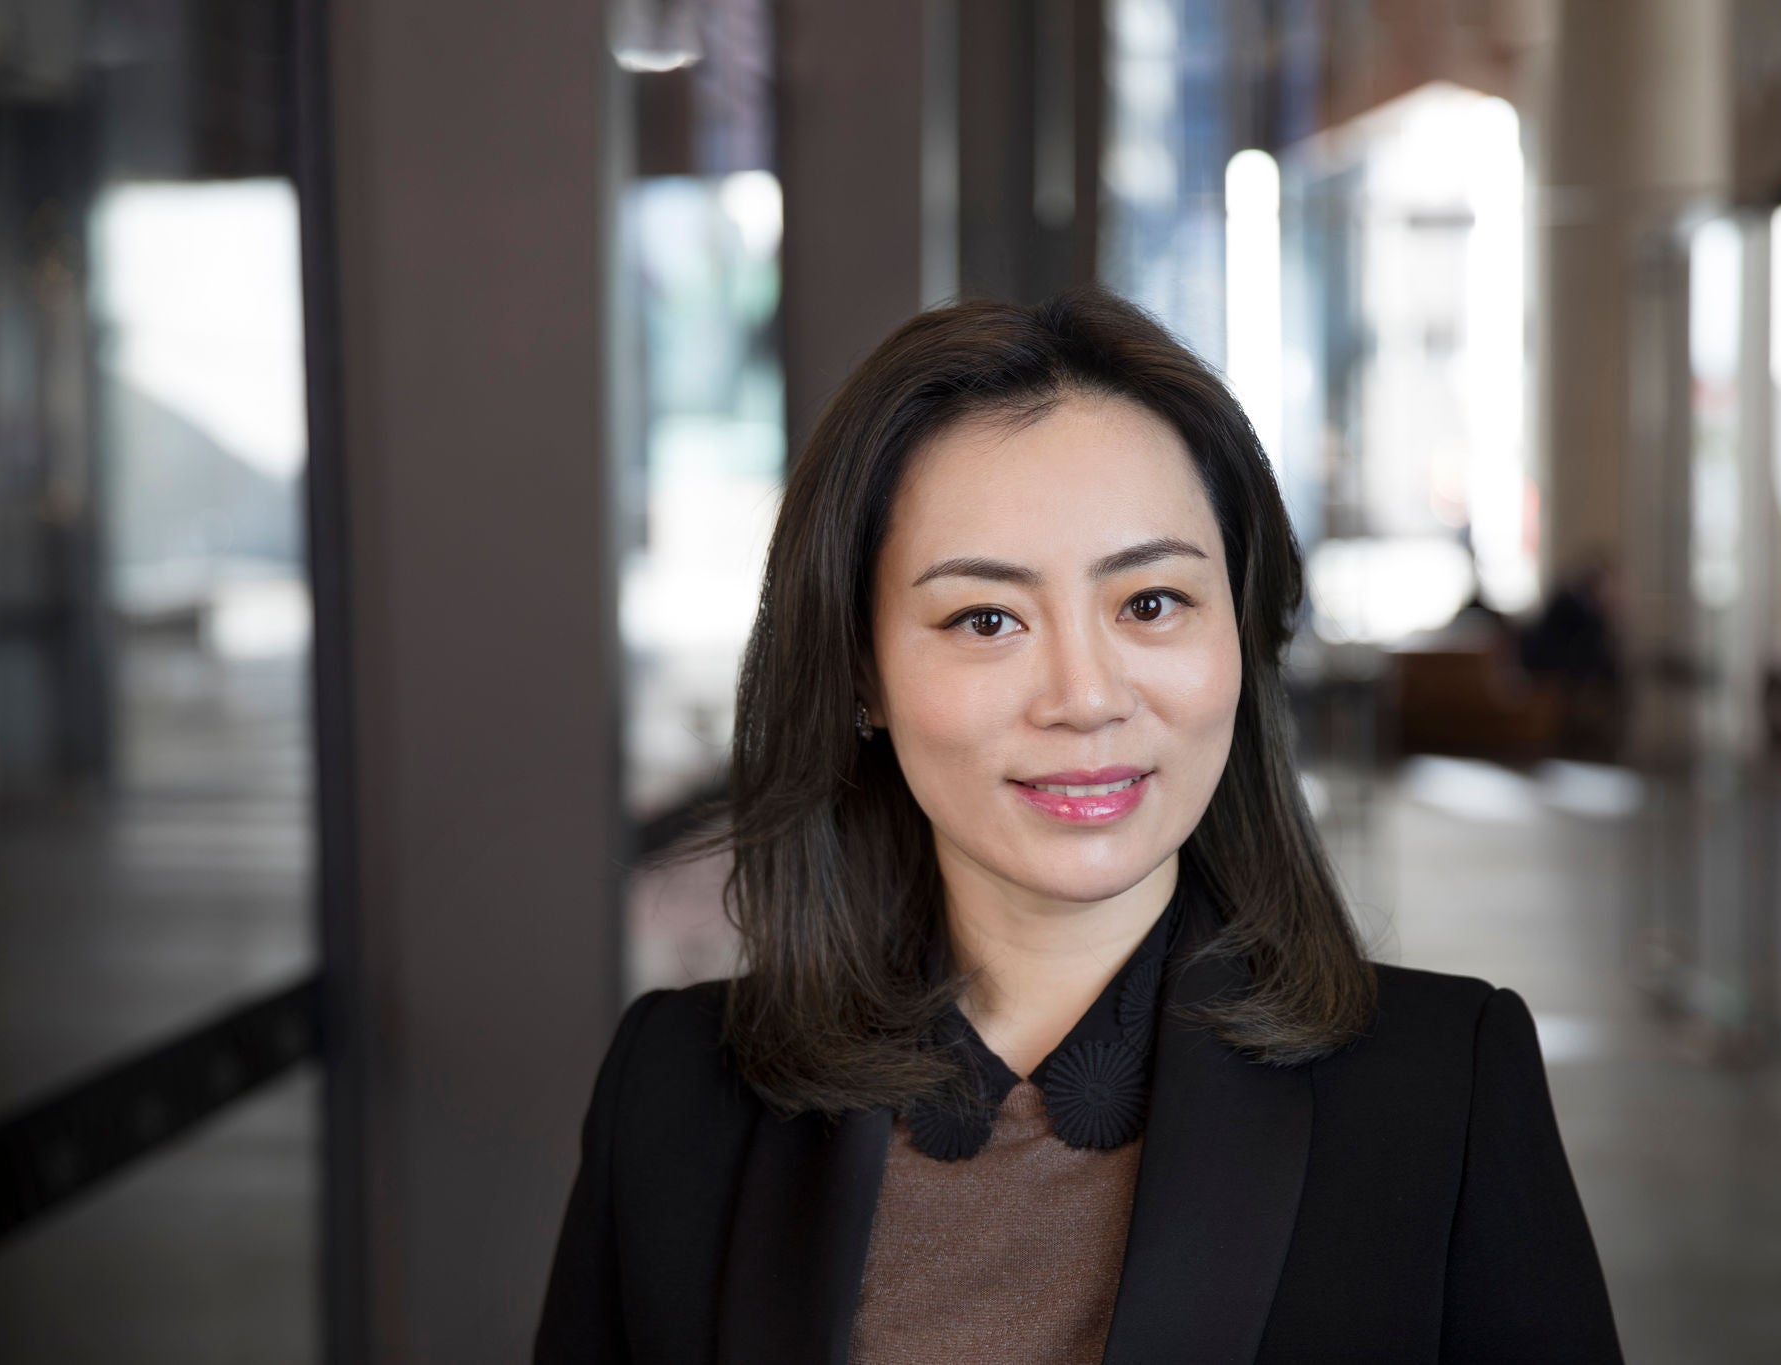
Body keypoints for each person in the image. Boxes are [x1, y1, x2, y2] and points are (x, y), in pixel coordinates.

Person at [535, 289, 1624, 1363]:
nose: (1085, 697)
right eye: (986, 618)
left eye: (1150, 603)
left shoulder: (1443, 1091)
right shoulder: (673, 1094)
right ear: (862, 672)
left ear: (1240, 633)